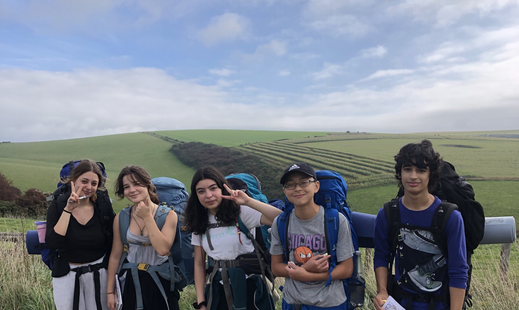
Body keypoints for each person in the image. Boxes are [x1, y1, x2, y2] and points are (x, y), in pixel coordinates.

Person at [373, 140, 469, 310]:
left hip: (440, 305)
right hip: (400, 303)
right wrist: (382, 291)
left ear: (431, 174)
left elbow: (458, 271)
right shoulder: (388, 214)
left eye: (421, 170)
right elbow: (382, 255)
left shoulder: (450, 218)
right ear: (400, 173)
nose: (413, 176)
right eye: (407, 169)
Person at [184, 166, 282, 310]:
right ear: (196, 195)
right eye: (201, 191)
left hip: (249, 285)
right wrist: (201, 302)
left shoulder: (240, 212)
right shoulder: (199, 220)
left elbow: (280, 218)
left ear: (222, 188)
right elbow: (199, 263)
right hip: (217, 288)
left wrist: (248, 201)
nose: (208, 195)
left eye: (213, 188)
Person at [270, 162, 355, 310]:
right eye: (291, 185)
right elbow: (276, 267)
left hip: (330, 303)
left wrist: (308, 275)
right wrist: (304, 268)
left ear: (316, 186)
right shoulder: (281, 222)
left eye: (303, 182)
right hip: (293, 302)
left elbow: (347, 269)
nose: (297, 188)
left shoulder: (336, 220)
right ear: (285, 191)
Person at [106, 166, 181, 310]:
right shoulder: (121, 218)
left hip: (161, 281)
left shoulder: (168, 215)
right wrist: (110, 291)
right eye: (126, 187)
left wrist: (147, 217)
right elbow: (115, 256)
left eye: (136, 184)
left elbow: (162, 249)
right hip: (130, 282)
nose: (132, 190)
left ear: (148, 184)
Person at [45, 159, 115, 310]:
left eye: (94, 183)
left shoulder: (102, 206)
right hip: (67, 277)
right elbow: (52, 242)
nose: (89, 187)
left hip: (100, 276)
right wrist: (68, 210)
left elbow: (113, 240)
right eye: (84, 181)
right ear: (73, 180)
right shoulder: (58, 205)